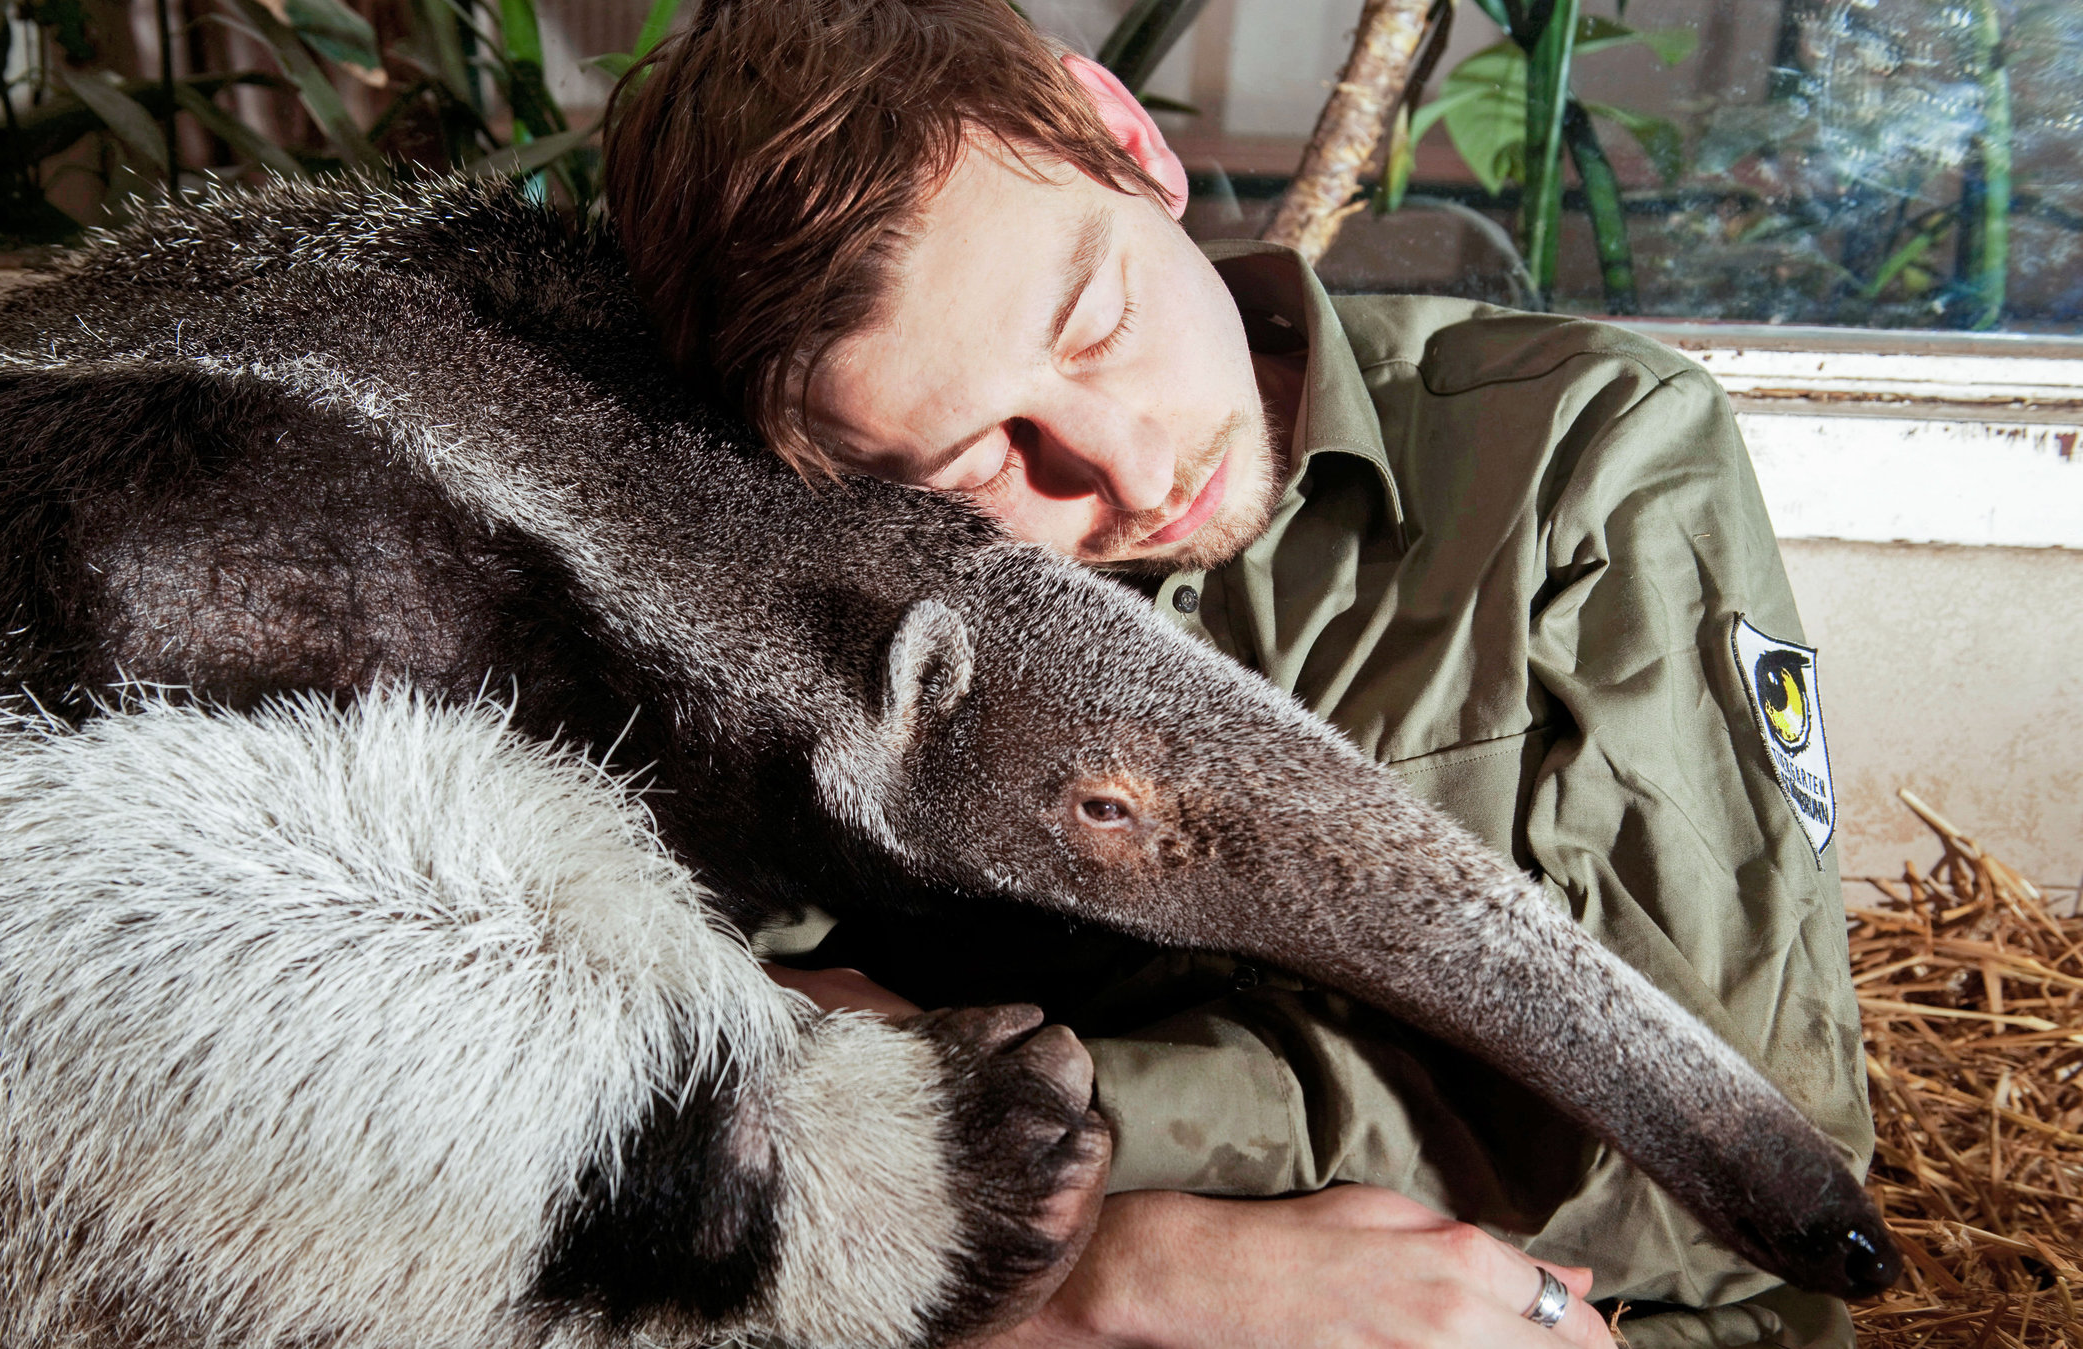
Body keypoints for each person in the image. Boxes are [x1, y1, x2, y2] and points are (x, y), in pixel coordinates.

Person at [598, 3, 1876, 1347]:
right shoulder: (848, 650)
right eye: (977, 464)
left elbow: (1730, 1173)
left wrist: (1064, 1186)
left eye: (1101, 320)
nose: (1137, 472)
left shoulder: (1582, 457)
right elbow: (755, 1095)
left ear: (1130, 139)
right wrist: (1097, 1286)